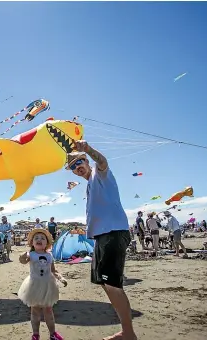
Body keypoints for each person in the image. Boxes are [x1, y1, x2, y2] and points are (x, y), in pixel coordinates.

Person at [66, 140, 137, 340]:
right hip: (101, 237)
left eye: (79, 163)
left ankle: (128, 334)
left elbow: (103, 161)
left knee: (113, 284)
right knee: (106, 284)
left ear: (86, 161)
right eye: (72, 167)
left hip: (114, 232)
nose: (77, 168)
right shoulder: (89, 185)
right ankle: (126, 331)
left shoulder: (100, 174)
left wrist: (87, 149)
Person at [18, 228, 67, 340]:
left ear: (47, 243)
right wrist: (22, 256)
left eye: (42, 238)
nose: (39, 239)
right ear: (32, 242)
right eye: (36, 238)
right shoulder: (31, 254)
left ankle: (53, 333)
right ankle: (35, 334)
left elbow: (53, 270)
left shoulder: (49, 256)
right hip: (34, 286)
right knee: (35, 311)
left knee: (48, 310)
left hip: (48, 286)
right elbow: (23, 261)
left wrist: (61, 278)